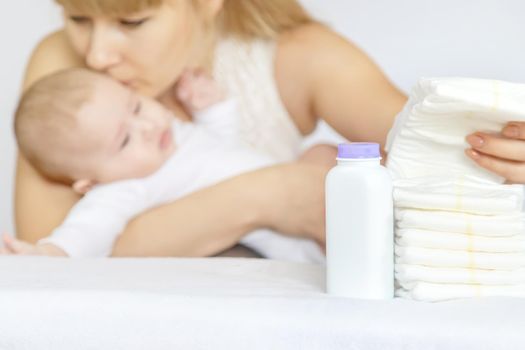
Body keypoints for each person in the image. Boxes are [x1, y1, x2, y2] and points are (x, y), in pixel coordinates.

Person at [25, 0, 524, 258]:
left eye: (132, 21)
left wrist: (507, 156)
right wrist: (276, 193)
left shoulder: (302, 57)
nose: (96, 54)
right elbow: (57, 257)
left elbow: (449, 152)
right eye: (76, 17)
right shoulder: (65, 71)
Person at [4, 67, 326, 262]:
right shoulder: (121, 189)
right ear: (91, 184)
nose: (146, 127)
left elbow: (223, 150)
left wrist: (213, 110)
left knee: (323, 153)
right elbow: (85, 232)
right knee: (325, 164)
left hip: (300, 209)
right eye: (124, 140)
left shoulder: (168, 136)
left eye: (136, 107)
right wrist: (47, 254)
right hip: (301, 246)